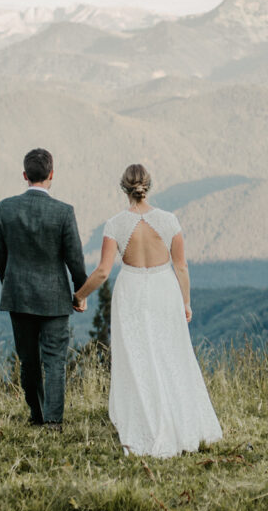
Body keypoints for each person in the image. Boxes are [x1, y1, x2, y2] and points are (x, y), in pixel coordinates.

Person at [74, 164, 222, 457]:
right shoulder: (169, 221)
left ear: (124, 188)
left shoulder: (115, 224)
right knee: (170, 352)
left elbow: (103, 272)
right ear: (148, 186)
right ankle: (178, 416)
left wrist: (79, 295)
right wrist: (186, 302)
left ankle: (144, 416)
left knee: (136, 354)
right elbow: (181, 266)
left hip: (130, 291)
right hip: (164, 289)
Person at [0, 148, 88, 431]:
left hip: (18, 295)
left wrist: (11, 285)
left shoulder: (5, 208)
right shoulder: (63, 212)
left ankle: (36, 415)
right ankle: (53, 421)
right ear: (51, 175)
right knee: (55, 361)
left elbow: (0, 255)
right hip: (55, 298)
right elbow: (75, 259)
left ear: (24, 175)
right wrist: (80, 293)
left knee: (28, 361)